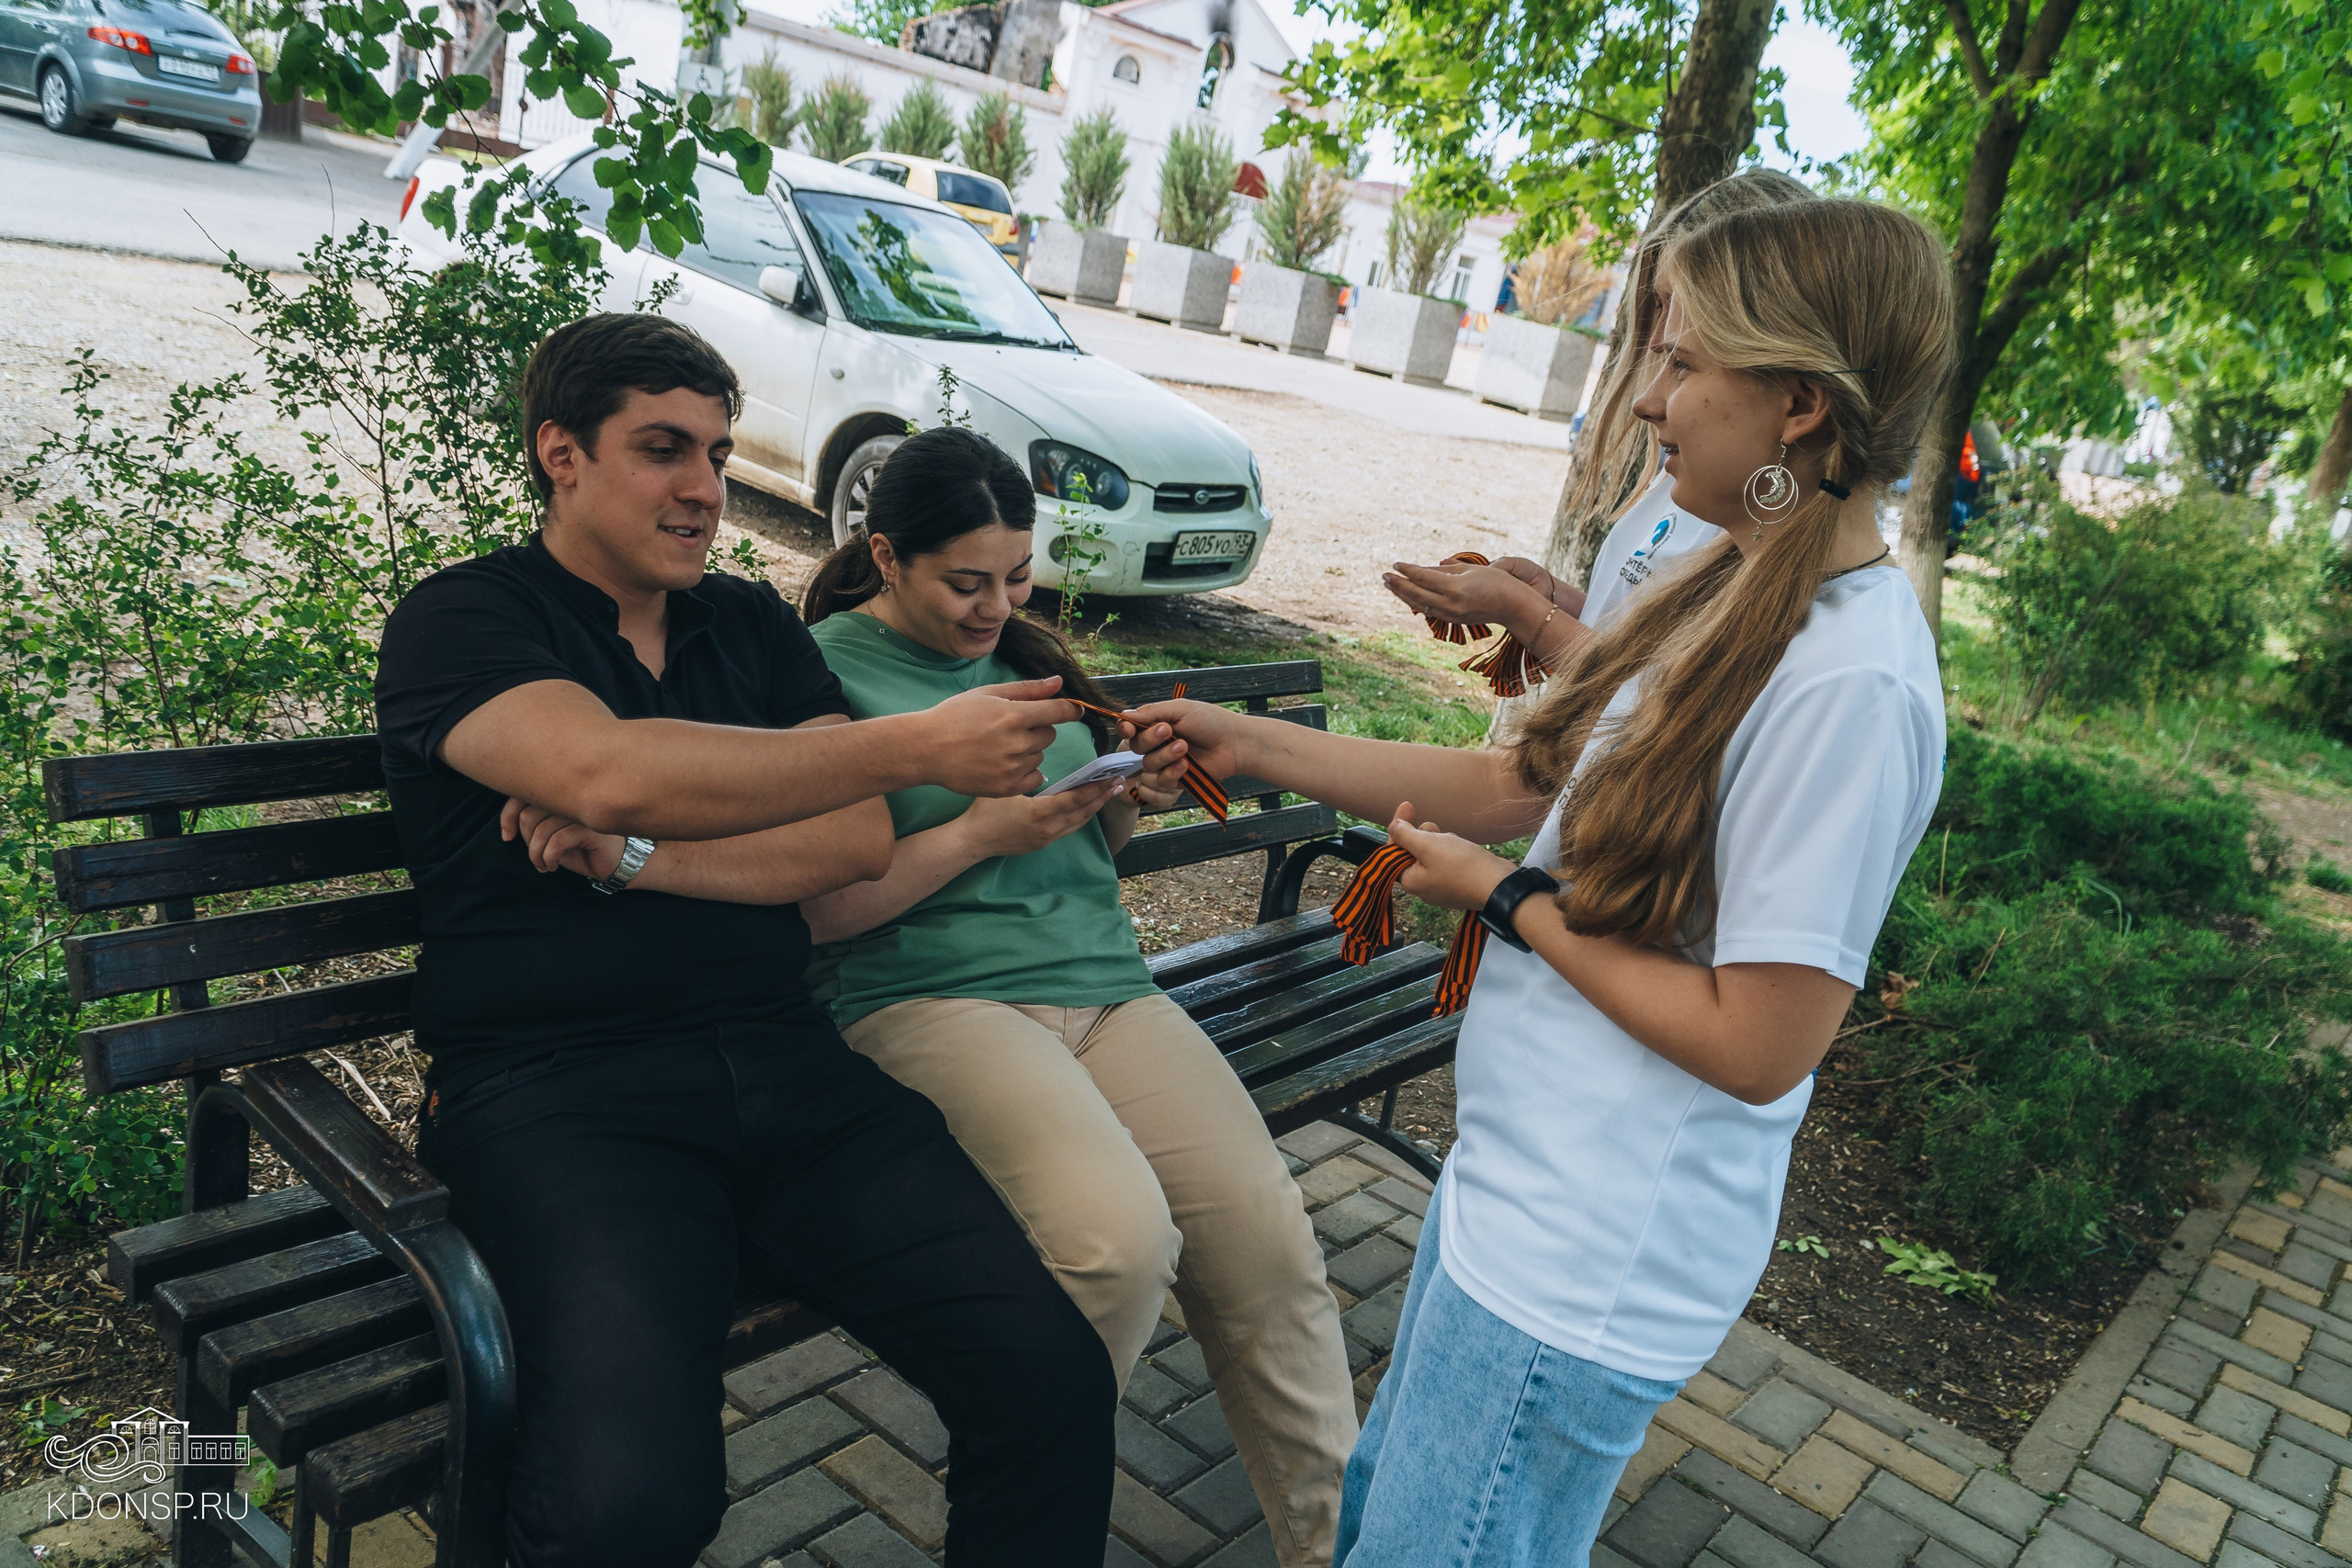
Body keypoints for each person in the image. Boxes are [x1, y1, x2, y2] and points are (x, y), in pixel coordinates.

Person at [1133, 197, 1955, 1565]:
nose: (1648, 398)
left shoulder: (1853, 682)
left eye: (1686, 364)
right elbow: (1527, 784)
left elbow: (1762, 1041)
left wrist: (1509, 901)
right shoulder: (1727, 579)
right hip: (1519, 1176)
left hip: (1586, 1254)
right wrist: (1254, 739)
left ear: (1800, 406)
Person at [375, 313, 1116, 1568]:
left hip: (789, 1070)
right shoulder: (465, 618)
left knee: (1050, 1375)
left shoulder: (748, 628)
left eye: (718, 451)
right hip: (559, 1095)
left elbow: (850, 842)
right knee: (631, 1502)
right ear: (561, 451)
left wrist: (641, 855)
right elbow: (605, 766)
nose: (706, 488)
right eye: (665, 449)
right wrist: (913, 744)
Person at [788, 425, 1362, 1567]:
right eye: (966, 581)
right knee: (1117, 1241)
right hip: (929, 995)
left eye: (1015, 574)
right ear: (885, 553)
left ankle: (1346, 1549)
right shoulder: (818, 676)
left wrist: (1126, 789)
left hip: (1103, 986)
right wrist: (977, 833)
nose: (996, 603)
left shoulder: (1027, 662)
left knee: (1268, 1247)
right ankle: (1022, 1510)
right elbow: (818, 915)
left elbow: (1085, 841)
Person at [1381, 170, 1815, 661]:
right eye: (1657, 301)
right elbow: (1633, 634)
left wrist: (1522, 610)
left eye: (1683, 358)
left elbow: (1653, 702)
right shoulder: (1704, 474)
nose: (1655, 336)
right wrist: (1550, 599)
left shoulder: (1746, 507)